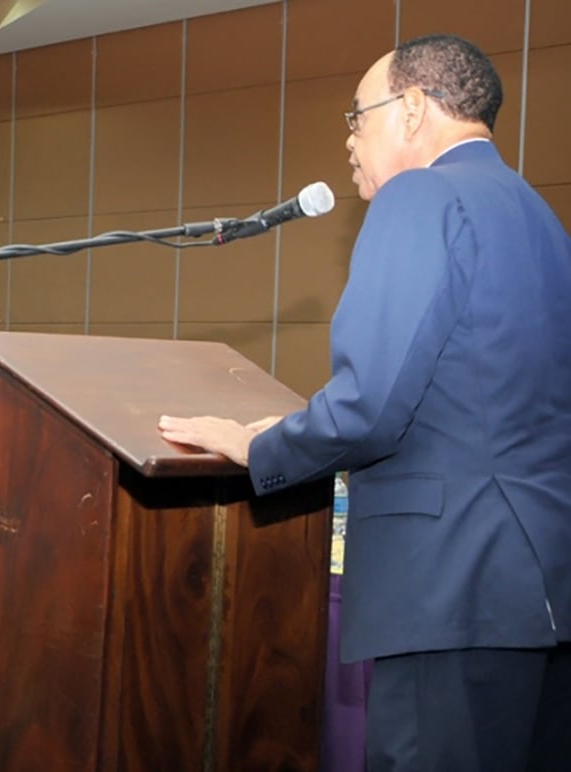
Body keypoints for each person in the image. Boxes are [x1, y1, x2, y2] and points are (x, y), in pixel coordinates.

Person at [157, 34, 571, 772]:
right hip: (539, 594)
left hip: (448, 588)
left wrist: (262, 446)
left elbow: (370, 403)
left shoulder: (422, 195)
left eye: (356, 116)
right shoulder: (539, 217)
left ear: (411, 109)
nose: (348, 141)